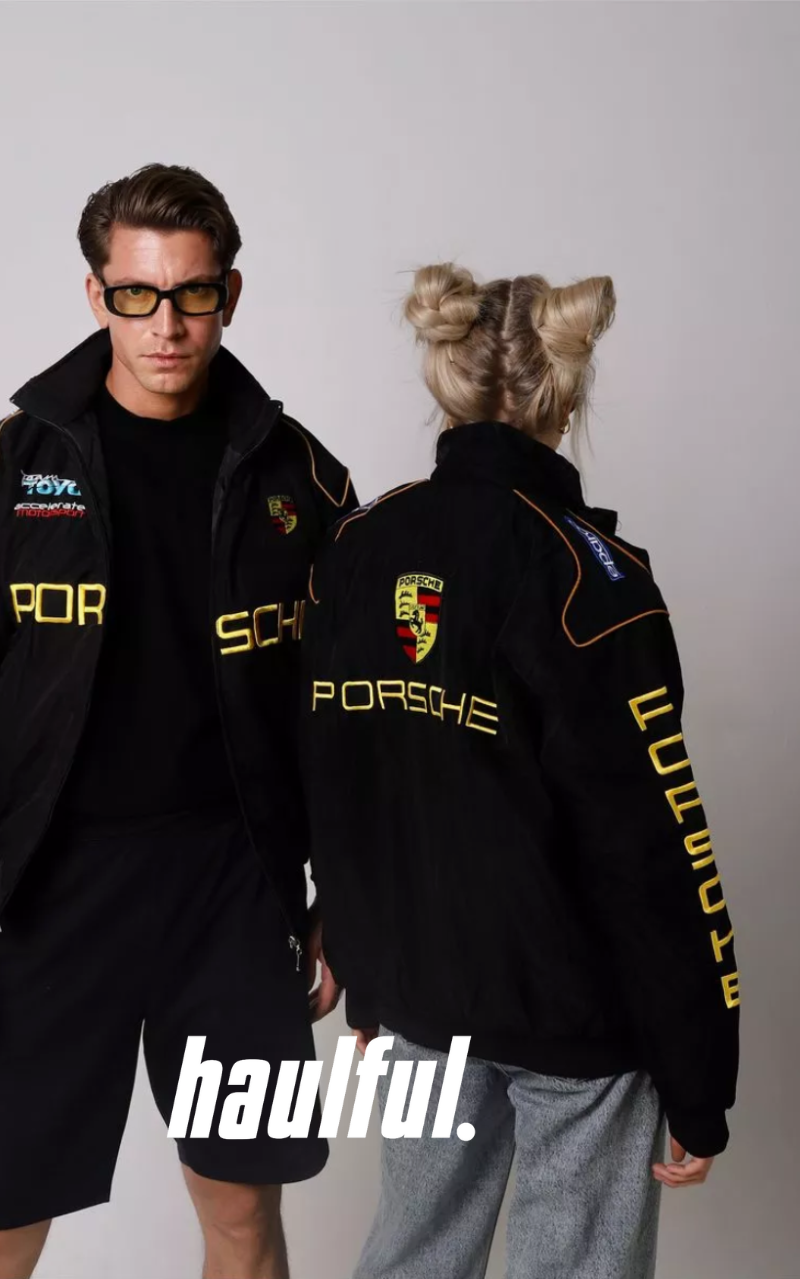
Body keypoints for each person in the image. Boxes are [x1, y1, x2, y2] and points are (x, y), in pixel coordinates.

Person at [0, 163, 354, 1279]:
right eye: (137, 294)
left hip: (236, 892)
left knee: (242, 1219)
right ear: (96, 295)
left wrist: (347, 897)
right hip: (60, 888)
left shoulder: (303, 479)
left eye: (192, 294)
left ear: (230, 295)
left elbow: (350, 713)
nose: (166, 326)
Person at [301, 265, 739, 1279]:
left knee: (410, 1259)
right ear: (563, 396)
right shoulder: (591, 577)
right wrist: (698, 1076)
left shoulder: (356, 548)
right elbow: (655, 852)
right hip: (573, 1017)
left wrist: (369, 977)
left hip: (418, 995)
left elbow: (334, 779)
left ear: (448, 383)